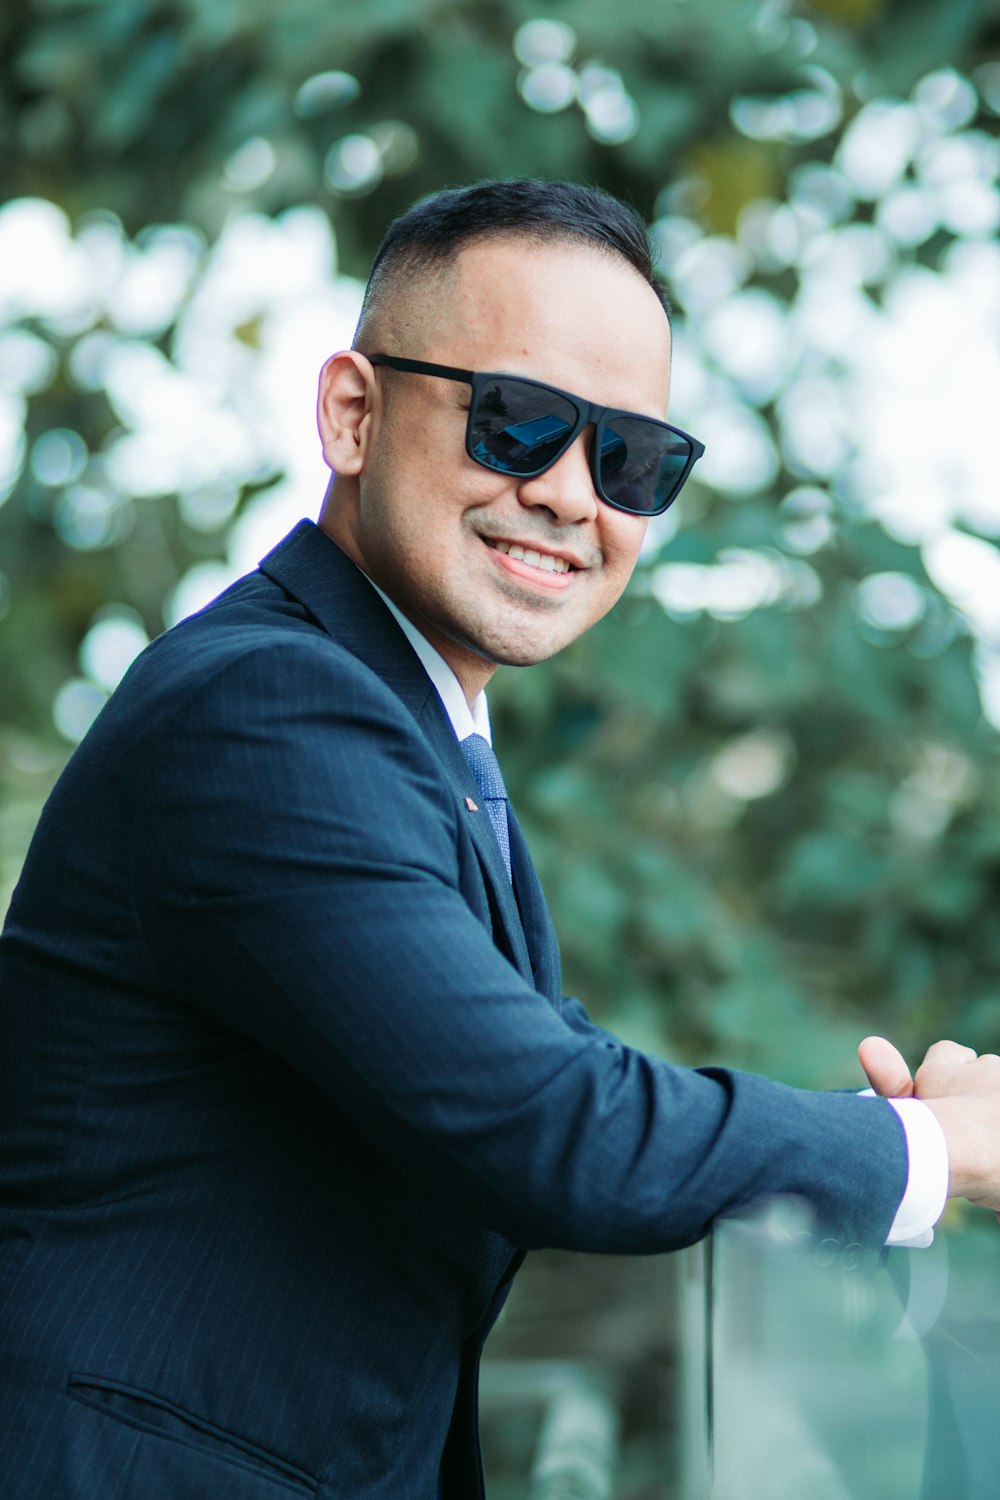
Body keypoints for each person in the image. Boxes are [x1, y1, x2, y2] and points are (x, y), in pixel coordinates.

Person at [1, 178, 997, 1500]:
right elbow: (547, 1122)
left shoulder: (406, 727)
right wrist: (934, 1152)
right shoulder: (268, 710)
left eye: (632, 458)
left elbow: (538, 1072)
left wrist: (882, 1131)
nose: (572, 495)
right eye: (517, 423)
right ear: (353, 413)